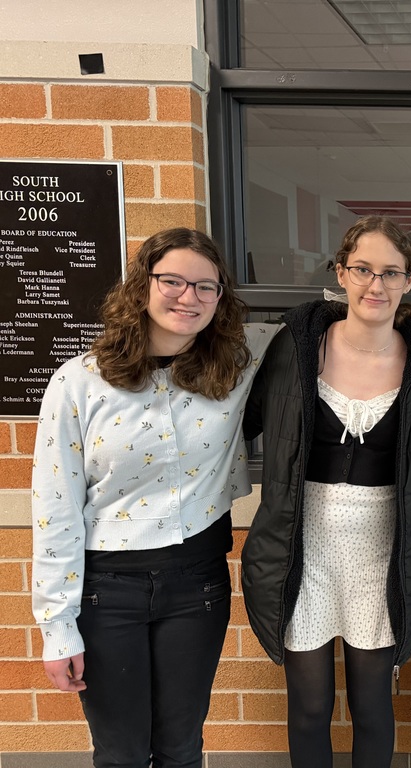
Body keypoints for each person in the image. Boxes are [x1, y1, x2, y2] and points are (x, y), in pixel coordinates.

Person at [31, 228, 278, 768]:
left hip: (198, 586)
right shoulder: (79, 383)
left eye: (205, 287)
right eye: (173, 281)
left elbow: (328, 321)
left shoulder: (238, 361)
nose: (188, 297)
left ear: (220, 299)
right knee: (120, 754)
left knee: (181, 749)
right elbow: (56, 509)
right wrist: (56, 626)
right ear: (143, 285)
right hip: (105, 593)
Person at [240, 216, 411, 768]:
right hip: (304, 546)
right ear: (341, 273)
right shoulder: (295, 349)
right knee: (309, 706)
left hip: (382, 551)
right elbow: (246, 417)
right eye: (363, 270)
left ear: (408, 282)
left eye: (391, 273)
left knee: (373, 705)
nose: (375, 285)